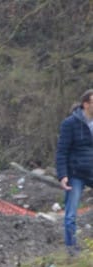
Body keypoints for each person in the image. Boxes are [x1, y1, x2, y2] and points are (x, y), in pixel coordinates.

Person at [55, 90, 93, 256]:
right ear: (86, 104)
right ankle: (72, 249)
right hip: (75, 172)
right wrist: (63, 175)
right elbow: (62, 151)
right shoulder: (70, 124)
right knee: (71, 213)